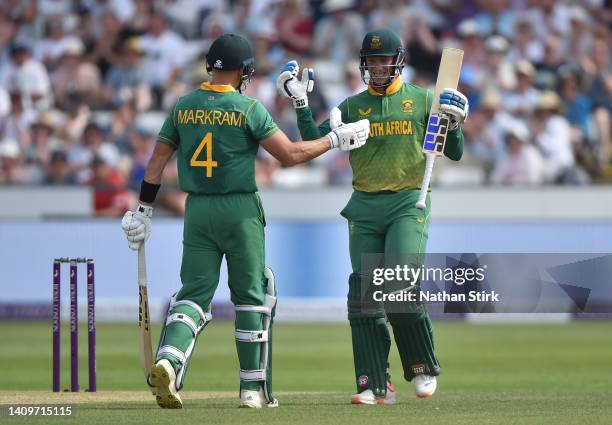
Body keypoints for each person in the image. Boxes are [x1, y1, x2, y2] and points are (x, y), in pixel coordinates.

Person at [120, 33, 370, 409]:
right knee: (253, 296)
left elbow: (155, 164)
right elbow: (290, 154)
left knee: (193, 295)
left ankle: (168, 361)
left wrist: (144, 210)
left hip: (197, 210)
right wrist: (335, 139)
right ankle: (251, 391)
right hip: (239, 210)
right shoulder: (247, 108)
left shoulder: (183, 106)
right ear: (241, 71)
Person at [277, 28, 468, 404]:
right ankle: (374, 382)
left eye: (384, 60)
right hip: (363, 207)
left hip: (408, 202)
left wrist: (456, 121)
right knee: (365, 294)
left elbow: (455, 152)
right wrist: (300, 103)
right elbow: (311, 143)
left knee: (398, 284)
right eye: (371, 61)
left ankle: (421, 365)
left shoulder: (423, 99)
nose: (378, 67)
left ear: (398, 61)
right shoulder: (351, 106)